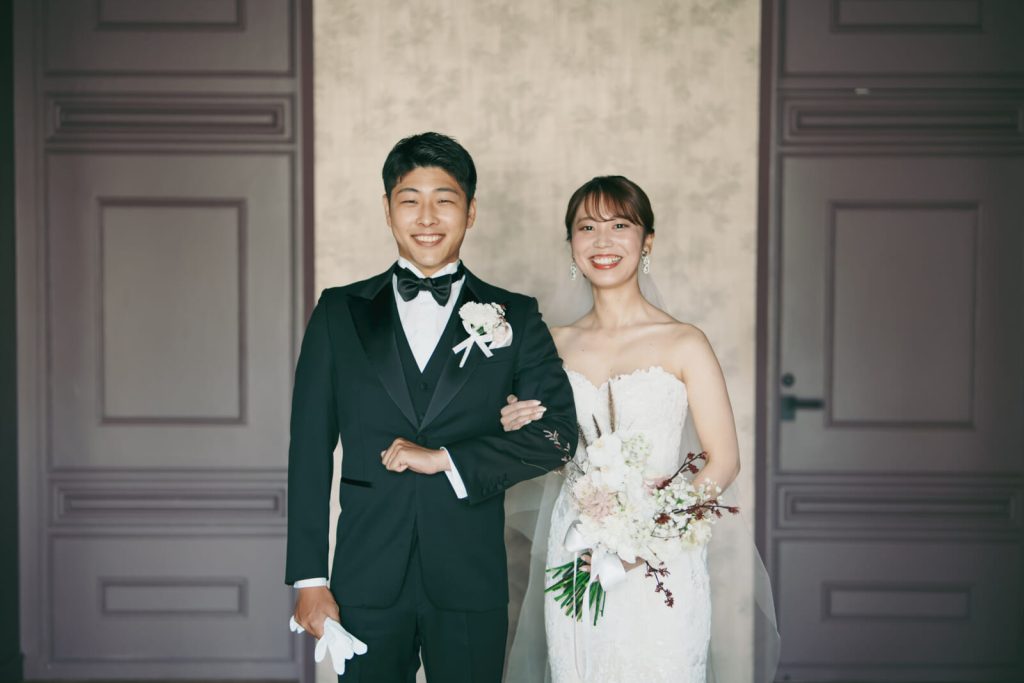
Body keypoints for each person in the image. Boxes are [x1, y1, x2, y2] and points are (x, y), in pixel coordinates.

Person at [285, 132, 578, 682]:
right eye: (409, 200)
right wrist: (308, 579)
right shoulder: (337, 312)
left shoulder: (515, 315)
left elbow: (558, 437)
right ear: (387, 209)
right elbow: (309, 452)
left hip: (471, 578)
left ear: (470, 211)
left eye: (444, 200)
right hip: (363, 578)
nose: (426, 217)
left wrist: (447, 459)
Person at [502, 176, 777, 682]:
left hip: (661, 556)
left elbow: (724, 461)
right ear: (571, 243)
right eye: (587, 227)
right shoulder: (550, 344)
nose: (602, 241)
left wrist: (645, 538)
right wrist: (515, 421)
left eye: (619, 226)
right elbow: (539, 448)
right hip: (577, 545)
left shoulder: (684, 342)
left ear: (647, 241)